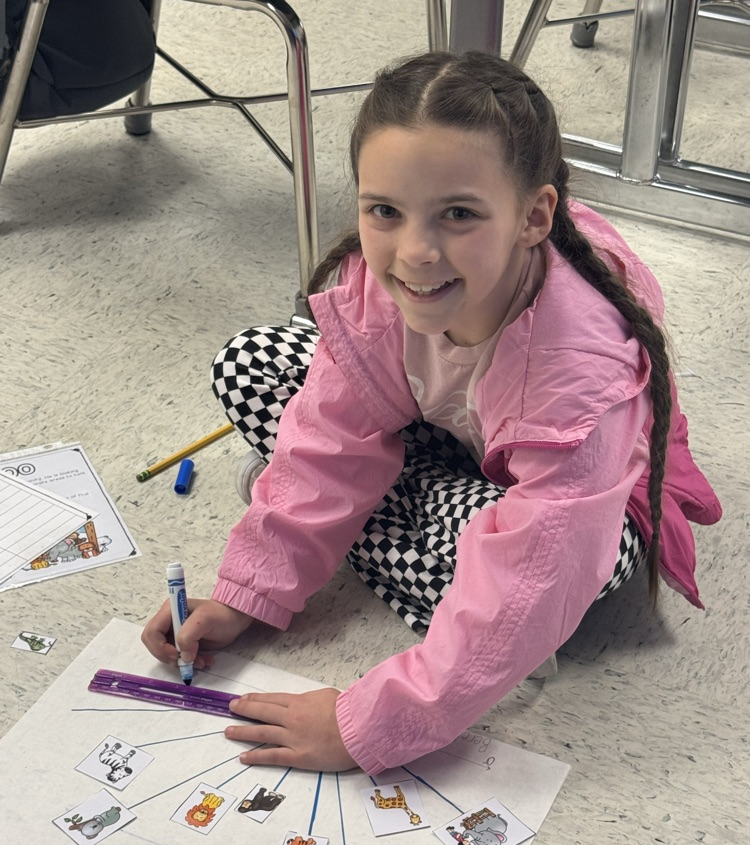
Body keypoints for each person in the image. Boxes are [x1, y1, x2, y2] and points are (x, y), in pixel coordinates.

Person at [142, 51, 721, 776]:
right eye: (385, 211)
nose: (415, 253)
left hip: (587, 502)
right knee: (250, 362)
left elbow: (544, 564)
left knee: (562, 579)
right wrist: (246, 594)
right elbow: (326, 436)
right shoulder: (384, 289)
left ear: (534, 216)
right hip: (457, 438)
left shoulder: (580, 364)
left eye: (458, 215)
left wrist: (369, 724)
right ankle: (392, 510)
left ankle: (393, 510)